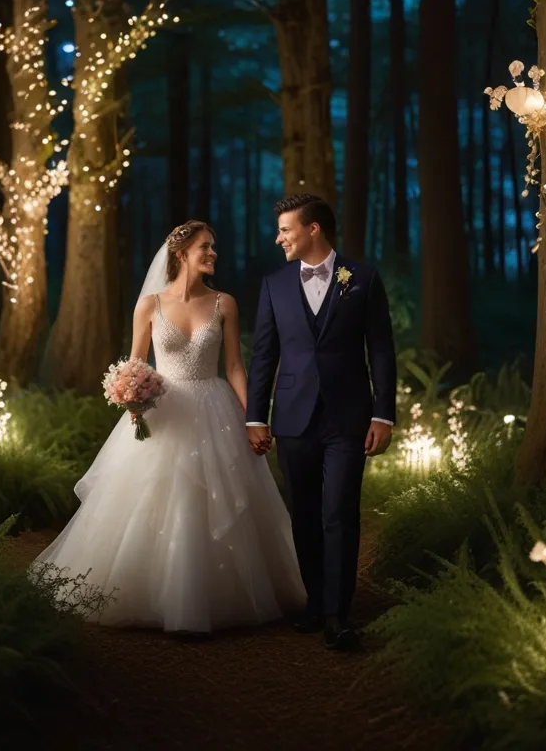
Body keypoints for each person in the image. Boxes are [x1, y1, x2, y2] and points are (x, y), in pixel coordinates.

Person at [32, 220, 304, 633]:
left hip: (216, 408)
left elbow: (233, 366)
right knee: (156, 497)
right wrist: (131, 397)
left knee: (220, 496)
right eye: (205, 247)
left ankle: (219, 596)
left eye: (213, 247)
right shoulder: (151, 305)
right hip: (163, 410)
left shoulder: (224, 303)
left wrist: (254, 418)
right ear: (181, 254)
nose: (213, 253)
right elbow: (135, 362)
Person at [246, 195, 397, 651]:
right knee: (306, 514)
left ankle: (339, 613)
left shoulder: (363, 279)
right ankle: (315, 602)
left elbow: (382, 350)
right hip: (292, 416)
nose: (279, 238)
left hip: (349, 417)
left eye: (286, 229)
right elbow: (264, 356)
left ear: (314, 230)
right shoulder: (273, 285)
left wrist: (383, 413)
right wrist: (256, 416)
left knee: (340, 513)